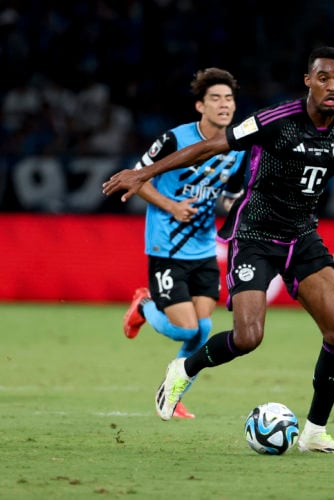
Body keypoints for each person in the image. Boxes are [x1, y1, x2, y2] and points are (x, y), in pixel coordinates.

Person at [103, 46, 334, 454]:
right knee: (249, 337)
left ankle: (315, 431)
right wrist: (144, 173)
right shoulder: (275, 120)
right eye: (323, 78)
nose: (331, 86)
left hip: (302, 238)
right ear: (308, 81)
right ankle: (184, 368)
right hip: (254, 236)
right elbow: (212, 146)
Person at [121, 68, 246, 419]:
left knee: (202, 329)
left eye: (229, 98)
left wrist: (235, 207)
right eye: (216, 99)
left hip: (204, 248)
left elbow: (228, 196)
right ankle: (144, 305)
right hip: (167, 247)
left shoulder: (236, 148)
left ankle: (172, 394)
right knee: (185, 327)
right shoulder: (175, 140)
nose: (224, 104)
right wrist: (171, 206)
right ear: (200, 106)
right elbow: (136, 177)